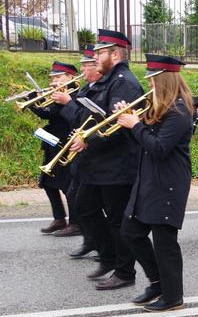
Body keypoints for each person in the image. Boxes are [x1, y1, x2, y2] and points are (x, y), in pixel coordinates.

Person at [118, 54, 193, 312]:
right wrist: (129, 121)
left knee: (165, 242)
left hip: (168, 182)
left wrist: (135, 124)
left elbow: (160, 148)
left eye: (152, 80)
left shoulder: (180, 111)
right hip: (149, 180)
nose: (148, 85)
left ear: (163, 81)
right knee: (130, 232)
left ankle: (174, 297)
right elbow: (143, 142)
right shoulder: (158, 107)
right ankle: (158, 282)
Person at [69, 29, 143, 290]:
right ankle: (108, 256)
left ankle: (125, 272)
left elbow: (119, 125)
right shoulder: (105, 80)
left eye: (100, 52)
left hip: (117, 164)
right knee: (84, 208)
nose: (95, 57)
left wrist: (88, 140)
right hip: (97, 163)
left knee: (117, 219)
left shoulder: (123, 82)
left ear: (115, 54)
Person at [53, 46, 103, 258]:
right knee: (76, 198)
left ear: (96, 67)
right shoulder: (85, 88)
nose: (82, 68)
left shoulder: (100, 88)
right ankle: (91, 240)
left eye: (86, 65)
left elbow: (94, 120)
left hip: (95, 153)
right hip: (81, 154)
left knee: (90, 203)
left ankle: (104, 245)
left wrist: (67, 102)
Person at [30, 61, 77, 235]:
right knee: (48, 182)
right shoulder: (58, 94)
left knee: (67, 185)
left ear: (70, 77)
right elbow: (46, 112)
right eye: (52, 78)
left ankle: (75, 223)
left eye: (58, 77)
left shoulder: (73, 94)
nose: (53, 81)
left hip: (67, 144)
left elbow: (49, 113)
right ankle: (59, 219)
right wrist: (33, 100)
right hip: (52, 142)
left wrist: (34, 103)